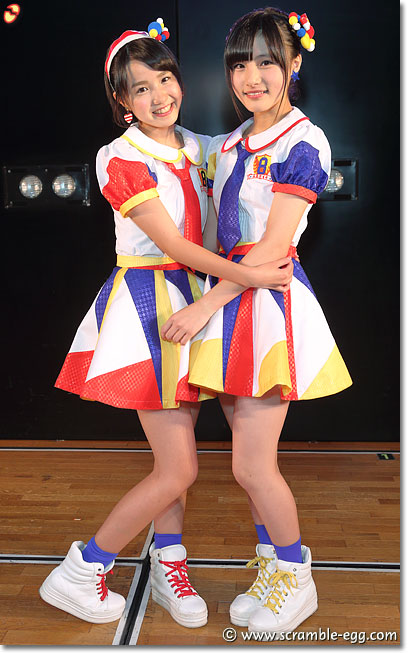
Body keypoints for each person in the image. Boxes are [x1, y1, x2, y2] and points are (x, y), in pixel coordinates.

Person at [39, 21, 293, 628]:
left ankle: (168, 565)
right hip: (151, 307)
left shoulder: (201, 146)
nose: (159, 96)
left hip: (201, 299)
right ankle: (83, 568)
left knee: (178, 456)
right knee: (177, 466)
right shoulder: (119, 157)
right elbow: (175, 245)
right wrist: (254, 276)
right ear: (121, 101)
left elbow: (258, 147)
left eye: (165, 78)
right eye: (140, 88)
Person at [161, 7, 352, 635]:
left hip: (266, 302)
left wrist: (205, 304)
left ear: (294, 65)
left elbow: (272, 246)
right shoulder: (230, 144)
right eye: (240, 64)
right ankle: (272, 567)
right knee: (246, 461)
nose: (252, 76)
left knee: (251, 464)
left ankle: (296, 579)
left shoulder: (304, 141)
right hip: (231, 300)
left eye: (268, 61)